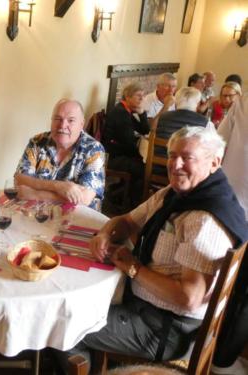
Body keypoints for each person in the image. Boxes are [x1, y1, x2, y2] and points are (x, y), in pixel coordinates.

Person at [54, 126, 248, 374]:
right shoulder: (177, 193)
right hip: (148, 308)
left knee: (63, 326)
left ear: (214, 162)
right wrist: (105, 233)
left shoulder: (203, 220)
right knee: (75, 301)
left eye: (187, 158)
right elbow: (127, 221)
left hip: (166, 330)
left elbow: (189, 298)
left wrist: (133, 268)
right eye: (171, 155)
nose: (175, 165)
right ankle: (102, 359)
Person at [212, 95, 248, 375]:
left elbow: (218, 140)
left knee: (221, 276)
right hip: (236, 203)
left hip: (228, 203)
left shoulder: (246, 98)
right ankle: (222, 360)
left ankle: (208, 344)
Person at [15, 99, 105, 210]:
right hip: (38, 215)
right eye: (57, 119)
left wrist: (35, 194)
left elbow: (84, 198)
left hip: (78, 219)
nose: (62, 125)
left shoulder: (93, 149)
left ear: (81, 124)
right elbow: (20, 179)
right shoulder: (37, 142)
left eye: (71, 120)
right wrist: (58, 186)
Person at [102, 82, 150, 206]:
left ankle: (120, 193)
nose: (142, 99)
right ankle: (130, 203)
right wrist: (139, 155)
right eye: (138, 95)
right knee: (145, 169)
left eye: (143, 96)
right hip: (112, 157)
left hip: (119, 153)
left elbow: (145, 130)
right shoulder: (121, 113)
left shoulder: (126, 110)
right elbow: (128, 143)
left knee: (141, 163)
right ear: (127, 97)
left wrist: (142, 113)